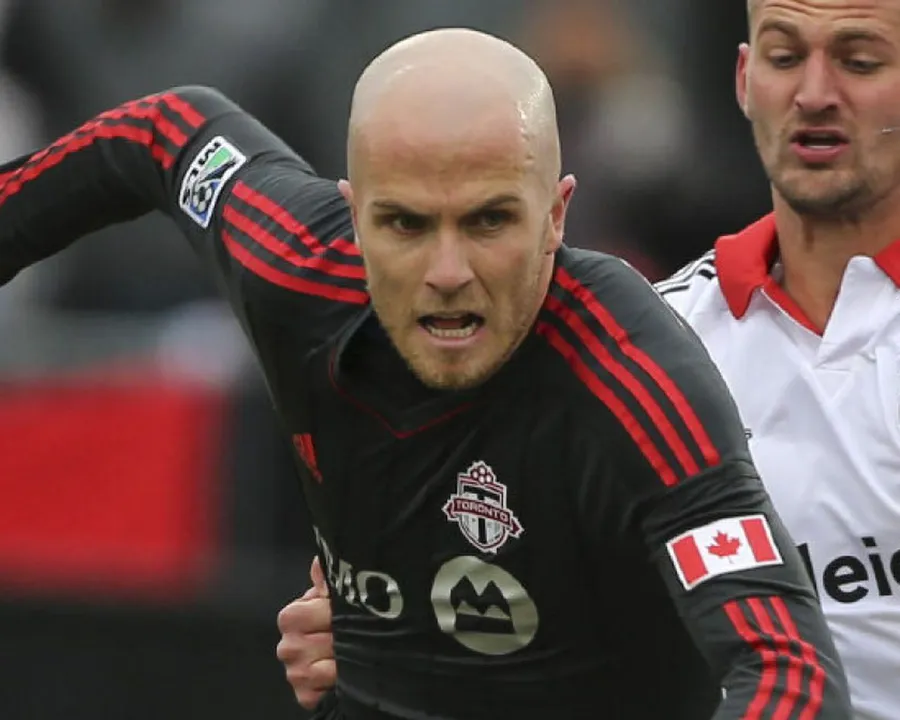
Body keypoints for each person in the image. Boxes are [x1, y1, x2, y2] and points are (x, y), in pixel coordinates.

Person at [0, 28, 852, 720]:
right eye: (405, 224)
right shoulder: (293, 262)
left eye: (489, 221)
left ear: (557, 216)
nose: (448, 272)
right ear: (353, 215)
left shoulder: (635, 377)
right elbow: (160, 136)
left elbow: (791, 675)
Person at [277, 3, 900, 718]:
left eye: (858, 62)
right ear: (744, 78)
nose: (814, 93)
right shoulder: (639, 348)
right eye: (784, 57)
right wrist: (379, 632)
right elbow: (504, 592)